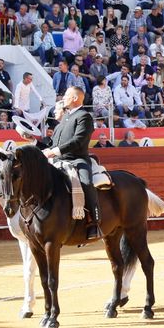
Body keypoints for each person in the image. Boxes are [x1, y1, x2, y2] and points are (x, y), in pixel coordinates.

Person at [39, 85, 109, 237]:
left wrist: (54, 151)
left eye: (66, 95)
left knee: (86, 183)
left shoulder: (84, 116)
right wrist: (37, 144)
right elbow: (53, 143)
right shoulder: (66, 117)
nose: (63, 98)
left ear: (75, 98)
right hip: (58, 160)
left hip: (77, 160)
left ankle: (94, 222)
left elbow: (78, 140)